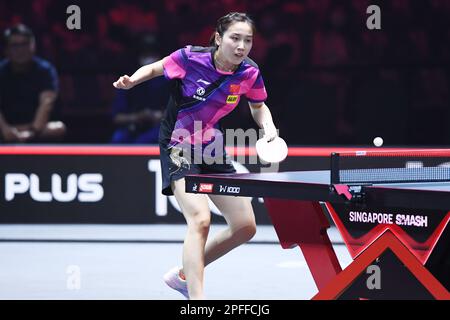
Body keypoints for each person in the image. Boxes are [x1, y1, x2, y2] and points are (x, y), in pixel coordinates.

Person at [113, 12, 279, 300]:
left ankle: (182, 276)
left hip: (211, 144)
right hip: (177, 141)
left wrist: (268, 127)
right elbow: (154, 69)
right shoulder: (190, 58)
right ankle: (197, 300)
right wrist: (132, 81)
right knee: (200, 220)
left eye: (248, 40)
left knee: (245, 227)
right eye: (235, 38)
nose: (241, 46)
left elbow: (258, 106)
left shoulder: (249, 72)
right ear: (218, 38)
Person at [0, 24, 66, 143]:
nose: (20, 50)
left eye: (25, 44)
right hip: (5, 128)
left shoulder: (45, 70)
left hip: (35, 128)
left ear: (33, 46)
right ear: (6, 49)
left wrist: (31, 131)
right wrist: (5, 129)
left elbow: (46, 103)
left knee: (58, 128)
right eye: (15, 45)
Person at [111, 34, 169, 144]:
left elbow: (179, 112)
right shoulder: (127, 80)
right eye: (146, 54)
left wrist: (159, 115)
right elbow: (117, 117)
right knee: (118, 138)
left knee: (145, 140)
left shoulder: (168, 81)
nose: (149, 58)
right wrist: (138, 117)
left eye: (152, 54)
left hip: (159, 127)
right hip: (133, 126)